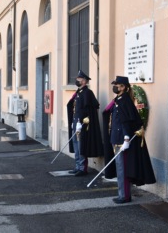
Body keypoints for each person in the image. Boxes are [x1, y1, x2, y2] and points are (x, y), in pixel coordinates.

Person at [104, 76, 156, 204]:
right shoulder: (119, 100)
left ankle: (125, 196)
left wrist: (126, 138)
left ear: (123, 87)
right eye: (115, 84)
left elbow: (126, 121)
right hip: (116, 138)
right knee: (120, 168)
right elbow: (109, 113)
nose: (115, 87)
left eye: (117, 85)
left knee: (122, 169)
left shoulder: (125, 101)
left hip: (122, 139)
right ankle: (122, 194)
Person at [66, 70, 103, 176]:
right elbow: (75, 108)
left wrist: (80, 122)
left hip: (82, 124)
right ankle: (77, 166)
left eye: (79, 79)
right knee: (76, 146)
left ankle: (83, 168)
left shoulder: (87, 93)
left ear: (84, 81)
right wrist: (74, 121)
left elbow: (87, 110)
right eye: (77, 79)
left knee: (81, 146)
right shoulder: (78, 92)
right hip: (76, 122)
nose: (77, 80)